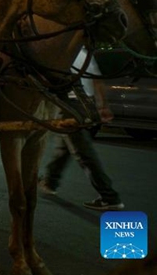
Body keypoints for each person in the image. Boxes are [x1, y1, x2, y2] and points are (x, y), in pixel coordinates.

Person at [38, 47, 124, 211]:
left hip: (71, 105)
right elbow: (97, 81)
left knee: (83, 152)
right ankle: (50, 181)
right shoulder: (85, 54)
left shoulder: (62, 52)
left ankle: (109, 196)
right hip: (87, 104)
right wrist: (103, 106)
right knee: (66, 147)